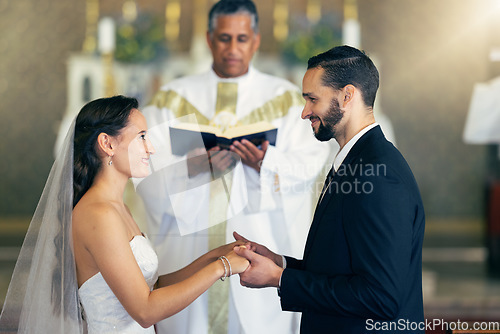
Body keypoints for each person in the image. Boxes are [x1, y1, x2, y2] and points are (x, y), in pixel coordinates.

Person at [135, 0, 330, 333]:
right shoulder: (170, 98)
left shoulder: (286, 100)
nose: (233, 48)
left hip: (259, 242)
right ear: (209, 39)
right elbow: (145, 169)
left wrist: (266, 161)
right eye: (224, 38)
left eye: (242, 39)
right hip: (189, 252)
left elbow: (309, 164)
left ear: (255, 40)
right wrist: (194, 166)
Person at [0, 95, 248, 334]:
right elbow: (145, 310)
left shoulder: (118, 208)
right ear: (107, 144)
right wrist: (221, 268)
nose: (150, 149)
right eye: (142, 137)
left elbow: (153, 287)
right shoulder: (98, 214)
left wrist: (218, 254)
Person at [233, 46, 426, 333]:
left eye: (312, 99)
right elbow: (342, 268)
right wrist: (281, 263)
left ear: (347, 96)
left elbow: (381, 296)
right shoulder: (357, 160)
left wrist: (280, 280)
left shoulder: (379, 175)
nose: (304, 112)